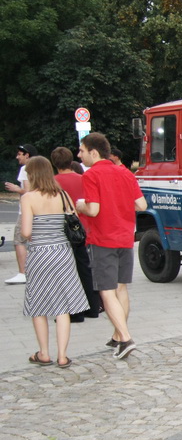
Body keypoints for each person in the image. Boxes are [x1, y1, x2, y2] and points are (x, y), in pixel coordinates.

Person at [76, 132, 147, 359]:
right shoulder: (125, 172)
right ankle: (118, 335)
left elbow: (93, 209)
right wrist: (120, 206)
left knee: (106, 291)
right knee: (121, 288)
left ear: (93, 152)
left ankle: (125, 339)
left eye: (82, 151)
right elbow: (142, 205)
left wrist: (80, 205)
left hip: (102, 239)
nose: (79, 155)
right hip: (125, 237)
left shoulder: (91, 175)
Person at [20, 156, 88, 368]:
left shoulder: (28, 198)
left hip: (39, 254)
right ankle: (62, 356)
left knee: (38, 304)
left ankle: (43, 353)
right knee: (63, 305)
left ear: (33, 175)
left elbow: (26, 232)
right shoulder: (63, 195)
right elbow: (74, 221)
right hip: (62, 253)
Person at [51, 146, 102, 322]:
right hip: (84, 228)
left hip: (62, 231)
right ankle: (93, 307)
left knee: (67, 271)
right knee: (85, 268)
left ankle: (74, 311)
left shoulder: (52, 183)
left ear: (54, 163)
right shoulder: (84, 178)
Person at [4, 144, 37, 284]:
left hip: (25, 211)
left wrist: (17, 189)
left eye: (19, 154)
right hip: (40, 210)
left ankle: (23, 273)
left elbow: (28, 192)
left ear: (27, 155)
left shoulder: (25, 169)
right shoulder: (41, 168)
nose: (17, 157)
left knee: (19, 240)